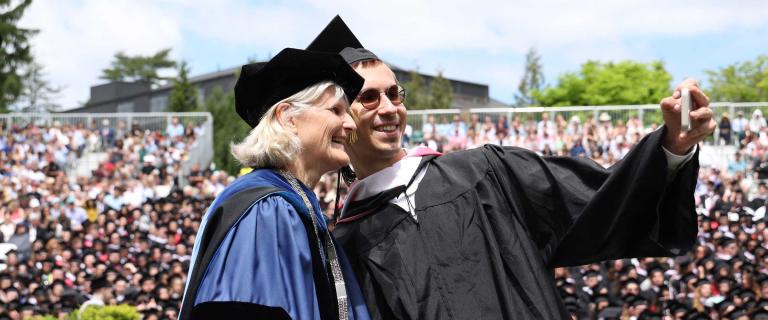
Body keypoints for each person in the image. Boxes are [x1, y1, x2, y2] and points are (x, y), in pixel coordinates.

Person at [307, 16, 716, 319]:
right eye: (370, 98)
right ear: (341, 116)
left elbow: (600, 200)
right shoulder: (345, 245)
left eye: (395, 94)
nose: (390, 108)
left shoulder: (486, 173)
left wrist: (672, 147)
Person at [179, 48, 370, 320]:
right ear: (288, 117)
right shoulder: (267, 210)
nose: (350, 124)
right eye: (336, 110)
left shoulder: (289, 202)